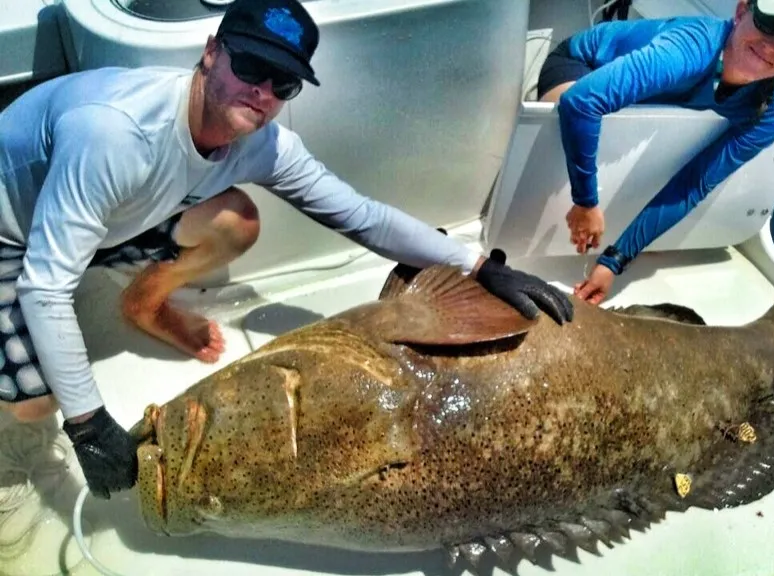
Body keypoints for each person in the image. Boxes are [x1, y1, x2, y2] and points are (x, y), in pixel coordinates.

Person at [0, 0, 572, 499]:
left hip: (110, 220)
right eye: (251, 66)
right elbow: (45, 286)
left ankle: (143, 304)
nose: (263, 93)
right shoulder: (115, 134)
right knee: (36, 408)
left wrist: (478, 265)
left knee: (237, 223)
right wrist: (89, 424)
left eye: (284, 83)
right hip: (14, 235)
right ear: (210, 53)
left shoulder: (264, 142)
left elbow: (361, 215)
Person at [537, 0, 774, 303]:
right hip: (584, 66)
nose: (771, 46)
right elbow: (581, 102)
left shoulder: (772, 111)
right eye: (768, 24)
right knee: (565, 131)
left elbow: (695, 183)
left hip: (645, 104)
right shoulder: (691, 46)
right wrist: (585, 202)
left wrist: (615, 260)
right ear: (742, 11)